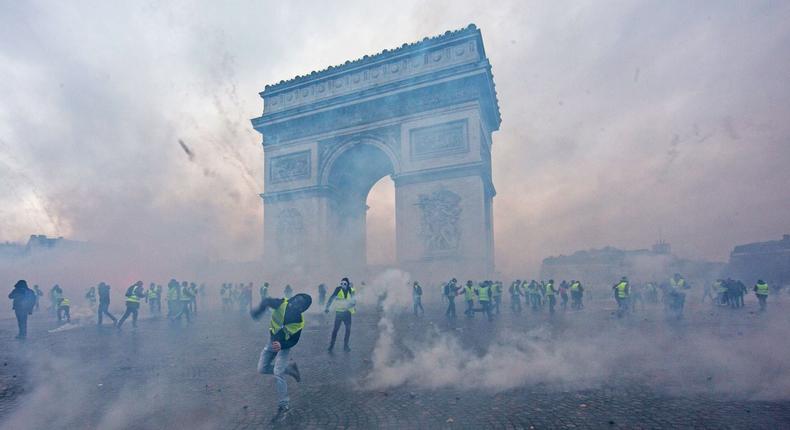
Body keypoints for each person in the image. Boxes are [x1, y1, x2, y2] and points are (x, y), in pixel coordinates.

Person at [251, 293, 311, 423]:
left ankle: (283, 405)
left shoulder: (299, 321)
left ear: (303, 309)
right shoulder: (281, 304)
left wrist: (282, 344)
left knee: (278, 372)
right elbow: (267, 300)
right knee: (262, 369)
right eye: (296, 301)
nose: (295, 305)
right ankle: (290, 369)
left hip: (283, 347)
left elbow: (294, 340)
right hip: (271, 341)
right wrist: (258, 311)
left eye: (300, 305)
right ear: (293, 298)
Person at [324, 277, 355, 353]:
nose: (343, 285)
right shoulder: (338, 289)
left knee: (348, 330)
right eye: (341, 283)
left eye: (344, 284)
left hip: (347, 313)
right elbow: (331, 298)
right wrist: (327, 307)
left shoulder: (351, 290)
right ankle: (331, 346)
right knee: (335, 330)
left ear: (347, 284)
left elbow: (354, 301)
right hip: (339, 313)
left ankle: (346, 346)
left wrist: (350, 305)